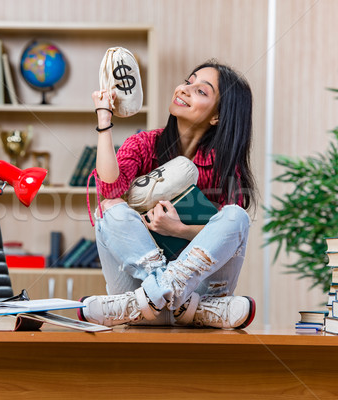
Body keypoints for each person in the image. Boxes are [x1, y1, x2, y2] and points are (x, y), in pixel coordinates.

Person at [77, 59, 257, 328]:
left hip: (195, 291)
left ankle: (149, 300)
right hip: (154, 288)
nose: (184, 89)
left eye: (201, 91)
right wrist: (104, 118)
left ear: (217, 116)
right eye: (188, 81)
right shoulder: (143, 144)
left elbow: (232, 235)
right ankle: (168, 298)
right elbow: (110, 188)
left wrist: (179, 229)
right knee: (109, 208)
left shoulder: (224, 164)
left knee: (236, 216)